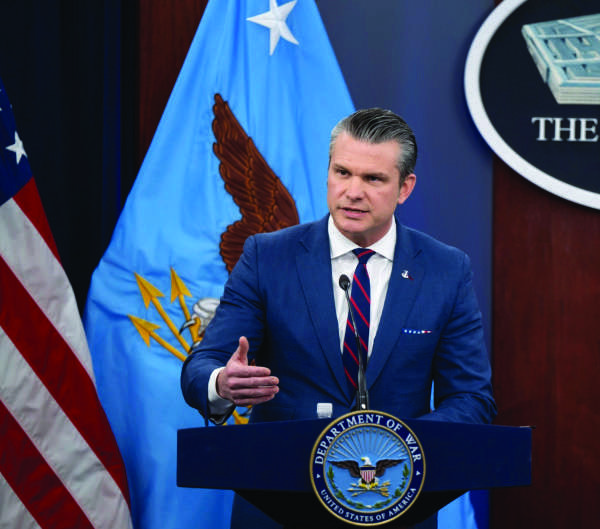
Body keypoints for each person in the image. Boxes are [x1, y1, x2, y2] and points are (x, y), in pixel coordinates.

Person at [180, 108, 496, 527]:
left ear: (405, 188)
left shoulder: (445, 270)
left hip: (394, 502)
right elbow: (199, 368)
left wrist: (397, 444)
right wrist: (221, 381)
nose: (353, 191)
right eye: (342, 172)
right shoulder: (267, 257)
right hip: (279, 503)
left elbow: (472, 399)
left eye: (373, 179)